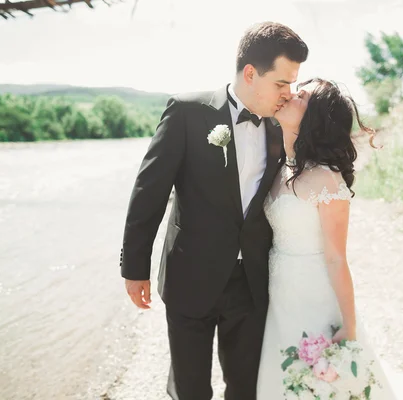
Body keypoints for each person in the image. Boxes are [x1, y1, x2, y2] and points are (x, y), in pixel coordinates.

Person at [119, 21, 308, 400]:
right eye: (281, 83)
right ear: (251, 73)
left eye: (293, 84)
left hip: (252, 281)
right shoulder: (188, 112)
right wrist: (134, 267)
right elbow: (149, 191)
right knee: (190, 389)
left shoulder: (280, 125)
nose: (289, 94)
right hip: (190, 275)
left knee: (245, 387)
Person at [256, 78, 403, 399]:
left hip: (316, 294)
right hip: (280, 291)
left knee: (326, 383)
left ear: (314, 116)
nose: (289, 93)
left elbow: (337, 257)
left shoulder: (327, 179)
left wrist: (350, 328)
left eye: (301, 95)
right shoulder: (281, 167)